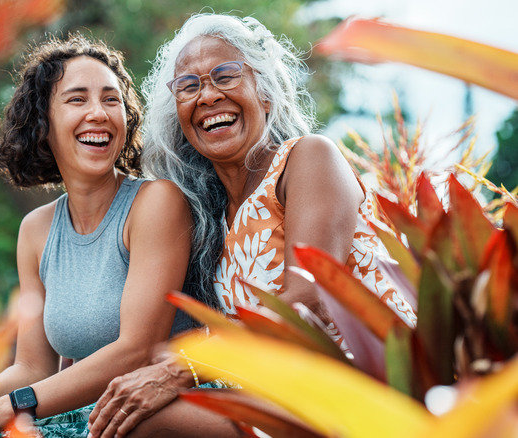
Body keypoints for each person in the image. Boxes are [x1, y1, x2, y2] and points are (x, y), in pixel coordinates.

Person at [87, 13, 416, 438]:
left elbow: (306, 298)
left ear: (265, 93)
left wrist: (180, 370)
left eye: (225, 75)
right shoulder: (210, 221)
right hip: (282, 399)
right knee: (117, 412)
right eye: (189, 86)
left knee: (141, 423)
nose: (207, 96)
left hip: (366, 394)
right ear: (180, 117)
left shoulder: (309, 158)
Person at [0, 34, 203, 438]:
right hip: (84, 414)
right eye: (77, 99)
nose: (99, 113)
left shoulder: (156, 202)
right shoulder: (35, 230)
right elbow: (33, 367)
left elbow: (137, 350)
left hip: (154, 415)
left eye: (111, 99)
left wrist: (7, 407)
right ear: (44, 123)